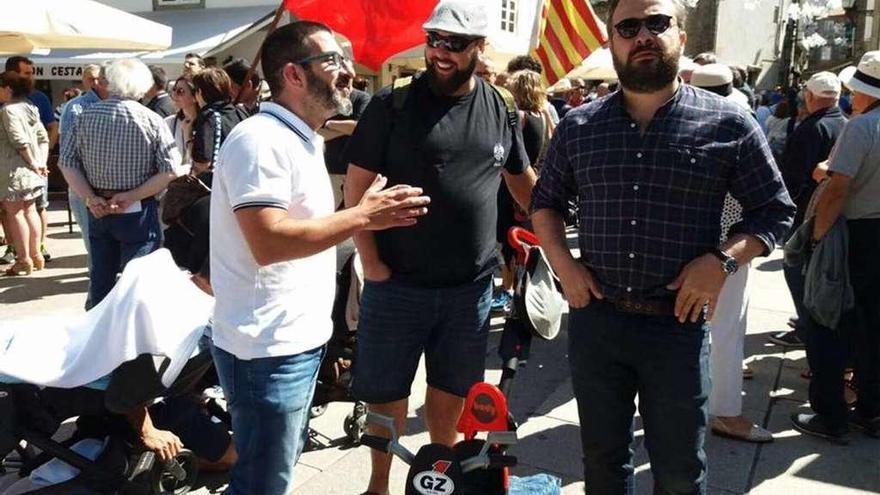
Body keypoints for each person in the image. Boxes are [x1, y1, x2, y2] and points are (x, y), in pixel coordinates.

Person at [529, 0, 795, 491]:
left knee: (679, 473)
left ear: (681, 38)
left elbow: (776, 209)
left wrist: (722, 262)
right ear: (612, 41)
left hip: (677, 327)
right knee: (603, 466)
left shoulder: (729, 124)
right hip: (597, 323)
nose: (643, 36)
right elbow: (544, 203)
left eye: (657, 23)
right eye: (628, 27)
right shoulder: (580, 126)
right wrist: (563, 265)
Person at [208, 21, 429, 495]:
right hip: (266, 348)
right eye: (332, 60)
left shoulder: (302, 136)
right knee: (262, 483)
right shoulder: (259, 141)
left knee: (273, 471)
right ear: (293, 74)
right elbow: (269, 242)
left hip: (294, 342)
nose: (348, 71)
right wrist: (362, 216)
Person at [342, 2, 537, 493]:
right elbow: (355, 191)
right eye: (435, 40)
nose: (440, 52)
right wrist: (371, 263)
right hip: (397, 284)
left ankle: (440, 478)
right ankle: (379, 484)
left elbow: (522, 184)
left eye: (454, 43)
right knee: (387, 393)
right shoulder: (392, 105)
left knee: (450, 392)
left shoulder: (502, 107)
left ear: (479, 49)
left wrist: (555, 232)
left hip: (468, 290)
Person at [792, 51, 880, 442]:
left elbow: (837, 189)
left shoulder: (862, 127)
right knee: (874, 327)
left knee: (827, 320)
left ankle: (830, 415)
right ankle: (872, 410)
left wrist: (817, 237)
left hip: (853, 234)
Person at [689, 63, 773, 443]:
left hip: (707, 247)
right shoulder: (737, 123)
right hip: (728, 250)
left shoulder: (689, 121)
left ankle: (700, 402)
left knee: (705, 328)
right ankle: (724, 411)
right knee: (725, 329)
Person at [58, 58, 180, 309]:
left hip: (98, 207)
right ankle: (137, 344)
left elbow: (66, 163)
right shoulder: (151, 119)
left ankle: (99, 338)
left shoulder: (83, 116)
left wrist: (91, 198)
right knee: (138, 284)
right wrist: (132, 195)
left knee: (101, 280)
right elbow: (170, 171)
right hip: (137, 210)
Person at [772, 72, 848, 349]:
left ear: (811, 97)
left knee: (796, 268)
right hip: (834, 212)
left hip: (807, 213)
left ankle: (808, 326)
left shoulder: (810, 128)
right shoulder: (846, 124)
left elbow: (792, 178)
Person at [58, 64, 110, 309]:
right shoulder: (76, 107)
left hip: (113, 189)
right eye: (91, 78)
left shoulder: (121, 105)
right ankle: (96, 304)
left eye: (98, 78)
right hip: (85, 188)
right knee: (95, 250)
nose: (95, 82)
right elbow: (69, 155)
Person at [4, 56, 56, 264]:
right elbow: (44, 134)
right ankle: (26, 252)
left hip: (20, 169)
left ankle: (29, 254)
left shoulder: (31, 101)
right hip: (28, 168)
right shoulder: (23, 103)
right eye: (27, 73)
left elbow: (24, 139)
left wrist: (39, 161)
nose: (31, 77)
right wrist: (40, 161)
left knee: (25, 210)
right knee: (26, 209)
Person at [319, 55, 371, 206]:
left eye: (347, 76)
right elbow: (317, 135)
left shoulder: (362, 98)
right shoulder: (328, 100)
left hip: (353, 171)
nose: (343, 80)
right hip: (329, 171)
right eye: (340, 77)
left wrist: (328, 123)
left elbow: (361, 128)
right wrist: (348, 128)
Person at [190, 68, 248, 175]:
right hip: (245, 173)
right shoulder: (240, 112)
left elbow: (203, 161)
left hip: (221, 182)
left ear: (200, 92)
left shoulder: (208, 116)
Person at [166, 76, 199, 170]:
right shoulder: (168, 123)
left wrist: (188, 134)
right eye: (174, 89)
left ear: (195, 97)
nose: (174, 94)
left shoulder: (206, 124)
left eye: (180, 91)